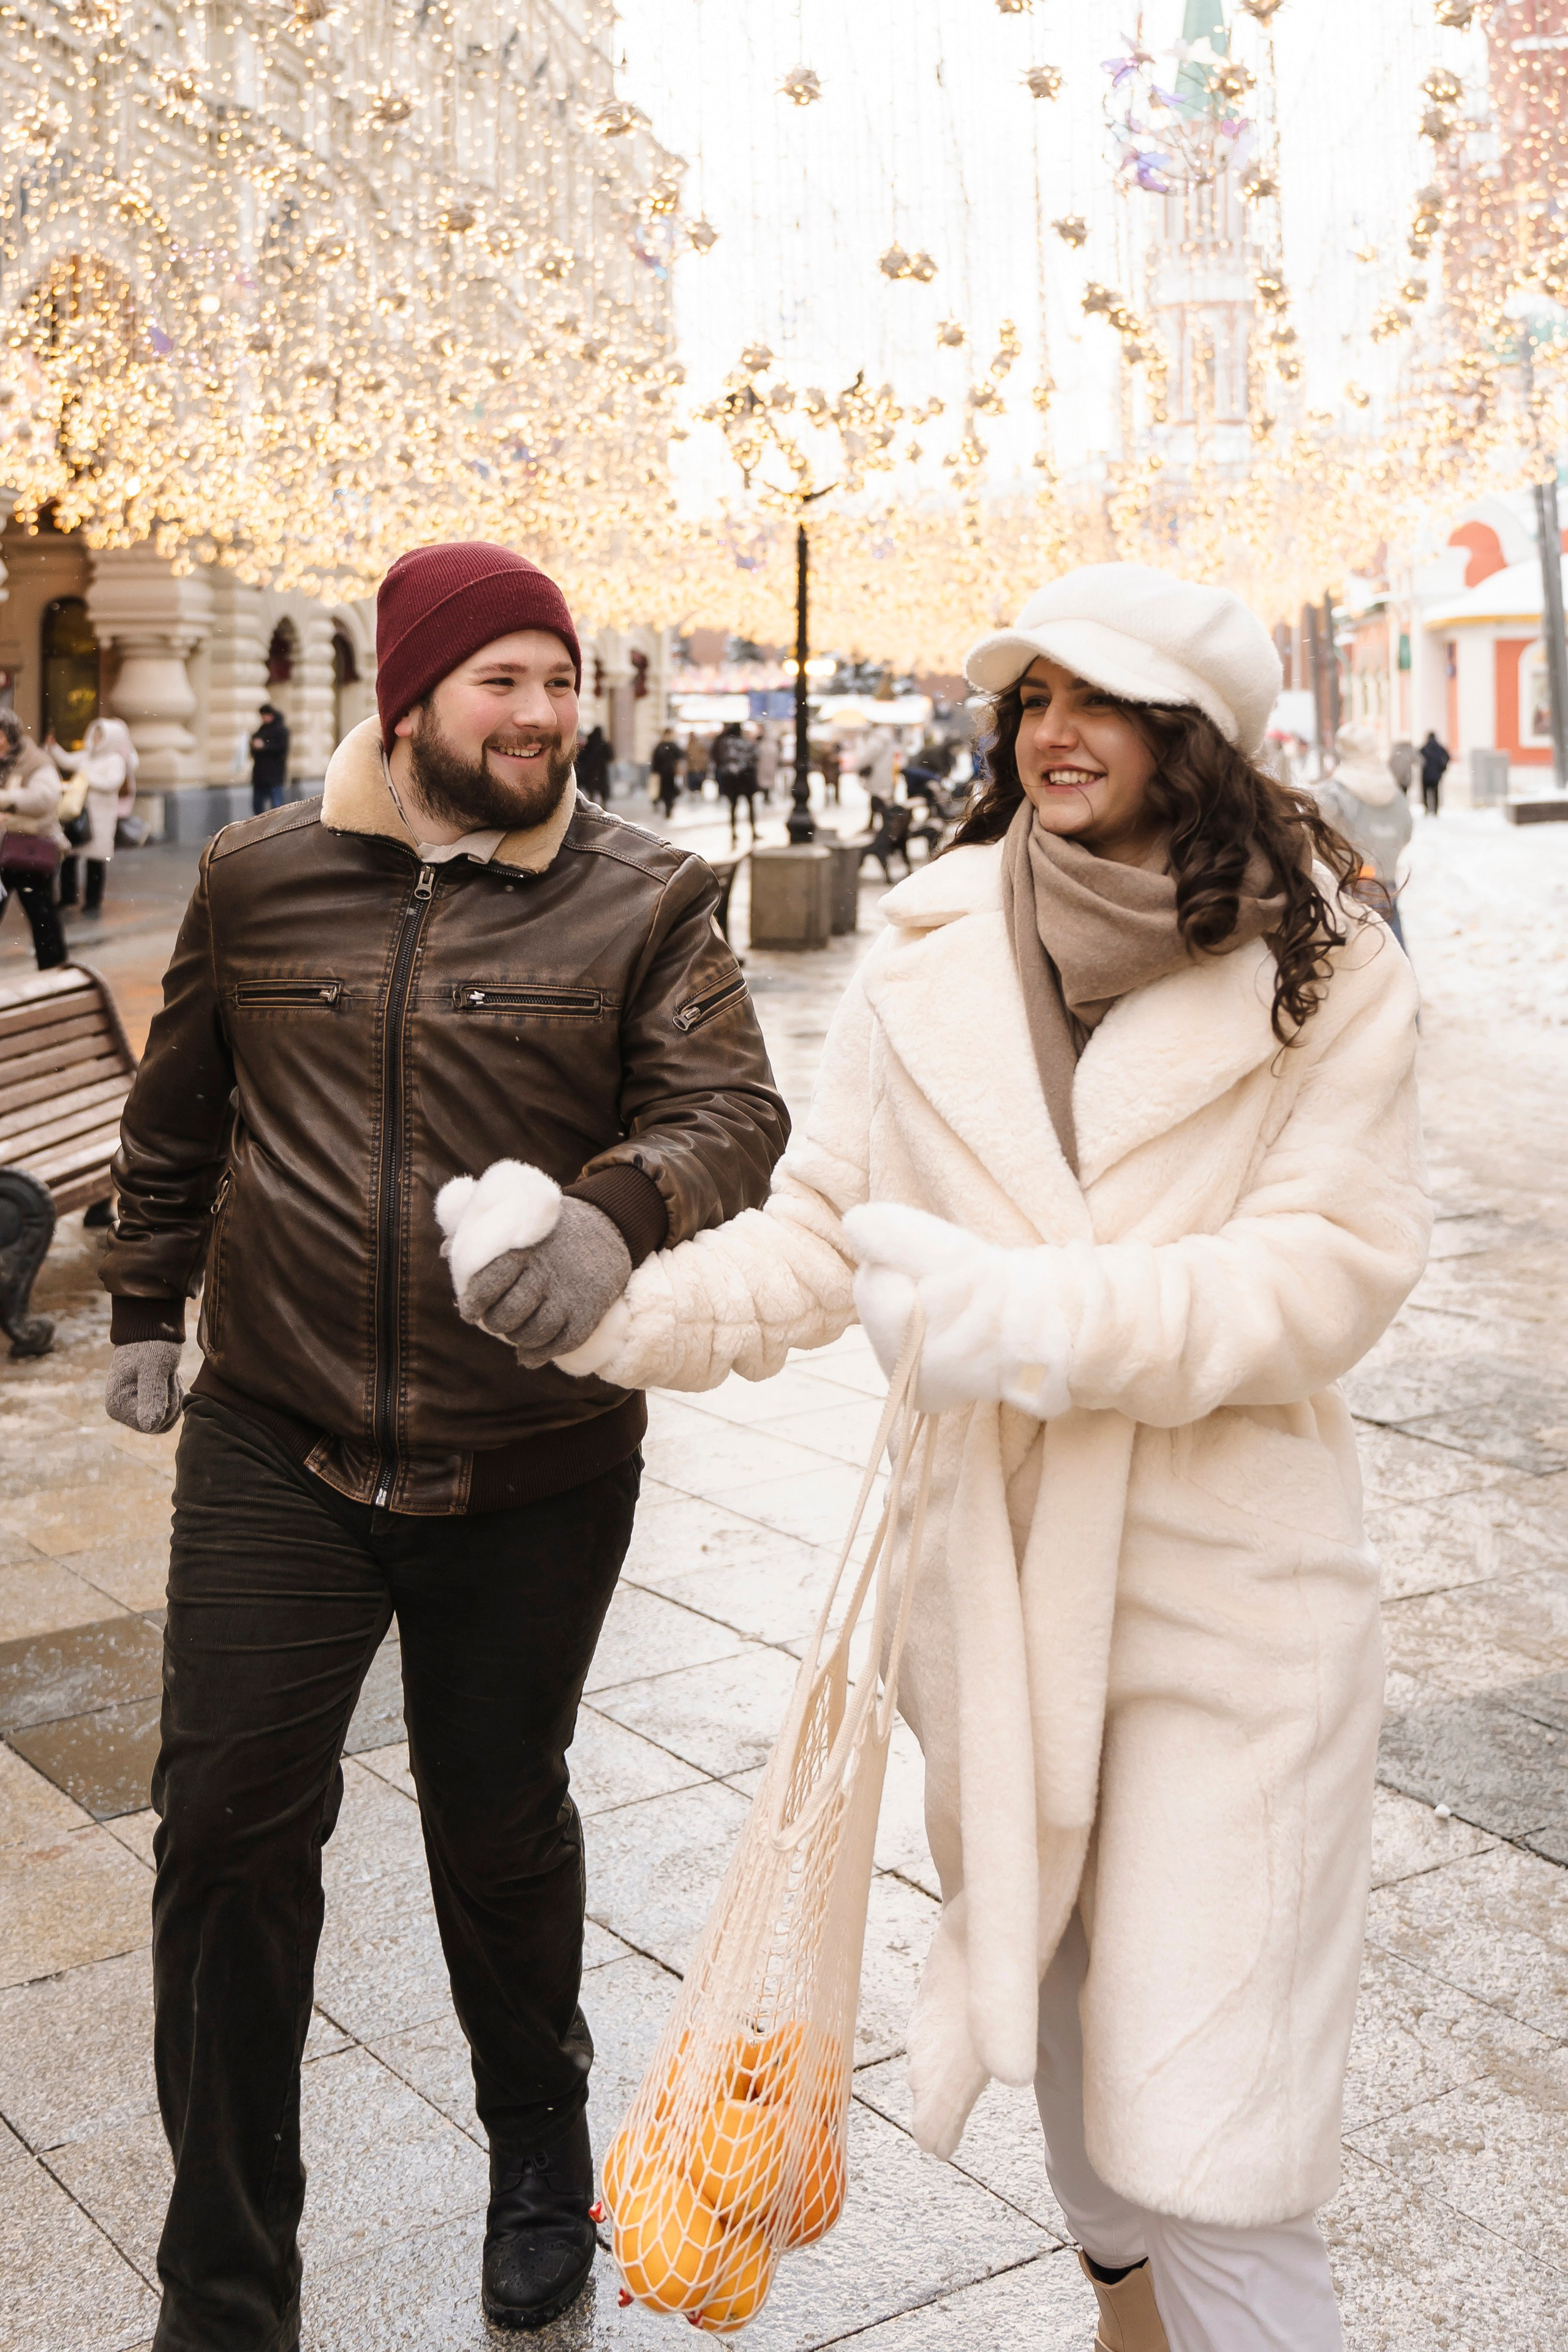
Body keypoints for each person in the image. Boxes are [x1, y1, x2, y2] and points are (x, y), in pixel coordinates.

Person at [556, 564, 1429, 2352]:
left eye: (1096, 699)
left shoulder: (1324, 966)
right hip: (998, 1607)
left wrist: (1028, 1319)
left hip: (1227, 1602)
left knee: (1210, 2100)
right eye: (1032, 698)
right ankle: (1125, 2306)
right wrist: (600, 1305)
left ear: (1189, 733)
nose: (1053, 731)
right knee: (1062, 2018)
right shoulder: (932, 947)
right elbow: (822, 1228)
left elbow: (1323, 1274)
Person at [99, 540, 790, 2348]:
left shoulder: (645, 894)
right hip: (277, 1432)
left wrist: (613, 1213)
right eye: (505, 679)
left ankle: (537, 2143)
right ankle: (223, 2287)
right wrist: (144, 1305)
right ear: (408, 695)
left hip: (531, 1454)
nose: (545, 712)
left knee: (496, 1817)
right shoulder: (257, 875)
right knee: (225, 1835)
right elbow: (178, 1110)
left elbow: (730, 1108)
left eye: (560, 679)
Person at [1316, 723, 1414, 949]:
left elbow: (1324, 837)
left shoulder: (1336, 792)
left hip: (1351, 882)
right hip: (1386, 881)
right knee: (1392, 948)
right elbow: (1407, 831)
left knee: (1359, 952)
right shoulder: (1392, 788)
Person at [48, 714, 137, 917]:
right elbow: (67, 761)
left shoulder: (114, 760)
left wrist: (87, 778)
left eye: (100, 736)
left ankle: (92, 901)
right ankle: (68, 896)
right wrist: (54, 748)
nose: (96, 739)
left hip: (101, 818)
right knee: (70, 855)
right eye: (95, 735)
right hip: (79, 815)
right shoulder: (87, 756)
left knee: (95, 860)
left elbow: (112, 783)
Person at [0, 710, 67, 968]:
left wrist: (7, 799)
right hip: (2, 850)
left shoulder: (35, 761)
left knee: (42, 915)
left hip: (29, 850)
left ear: (10, 735)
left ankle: (55, 972)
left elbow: (45, 799)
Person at [712, 720, 759, 845]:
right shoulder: (745, 742)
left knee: (733, 806)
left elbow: (717, 757)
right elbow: (755, 756)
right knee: (750, 805)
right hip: (745, 777)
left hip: (731, 778)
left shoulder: (724, 742)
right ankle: (753, 831)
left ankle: (733, 832)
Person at [248, 701, 291, 813]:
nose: (264, 719)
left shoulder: (281, 730)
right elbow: (254, 751)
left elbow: (281, 749)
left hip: (274, 776)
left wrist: (264, 746)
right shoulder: (262, 730)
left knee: (277, 807)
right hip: (260, 776)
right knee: (258, 806)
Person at [650, 726, 684, 820]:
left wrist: (655, 772)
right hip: (670, 773)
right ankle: (668, 809)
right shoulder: (673, 746)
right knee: (670, 794)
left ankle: (663, 806)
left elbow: (655, 761)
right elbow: (681, 757)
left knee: (663, 792)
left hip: (663, 774)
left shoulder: (659, 746)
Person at [575, 720, 611, 804]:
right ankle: (602, 804)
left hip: (590, 771)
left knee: (592, 789)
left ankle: (592, 803)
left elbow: (582, 757)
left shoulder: (590, 743)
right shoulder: (604, 744)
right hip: (600, 771)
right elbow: (610, 756)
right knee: (601, 789)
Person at [1419, 728, 1449, 816]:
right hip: (1436, 775)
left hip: (1426, 775)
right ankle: (1435, 809)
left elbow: (1418, 757)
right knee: (1436, 793)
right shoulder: (1440, 748)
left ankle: (1427, 808)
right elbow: (1447, 757)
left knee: (1425, 793)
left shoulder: (1424, 748)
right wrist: (1443, 768)